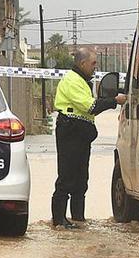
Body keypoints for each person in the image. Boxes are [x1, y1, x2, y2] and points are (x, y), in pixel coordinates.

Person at [51, 48, 127, 227]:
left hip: (80, 134)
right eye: (93, 63)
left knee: (80, 180)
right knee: (66, 178)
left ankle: (78, 219)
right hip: (70, 132)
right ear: (82, 63)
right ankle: (59, 221)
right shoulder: (72, 81)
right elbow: (90, 106)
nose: (96, 66)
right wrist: (114, 101)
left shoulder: (82, 81)